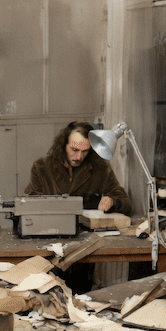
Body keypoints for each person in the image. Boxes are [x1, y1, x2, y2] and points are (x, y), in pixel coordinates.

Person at [24, 121, 133, 292]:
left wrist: (112, 201)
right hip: (49, 246)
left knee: (80, 297)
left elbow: (125, 202)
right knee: (49, 295)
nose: (78, 157)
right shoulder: (41, 167)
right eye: (74, 150)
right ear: (63, 145)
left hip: (83, 251)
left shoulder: (99, 167)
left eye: (85, 151)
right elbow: (30, 206)